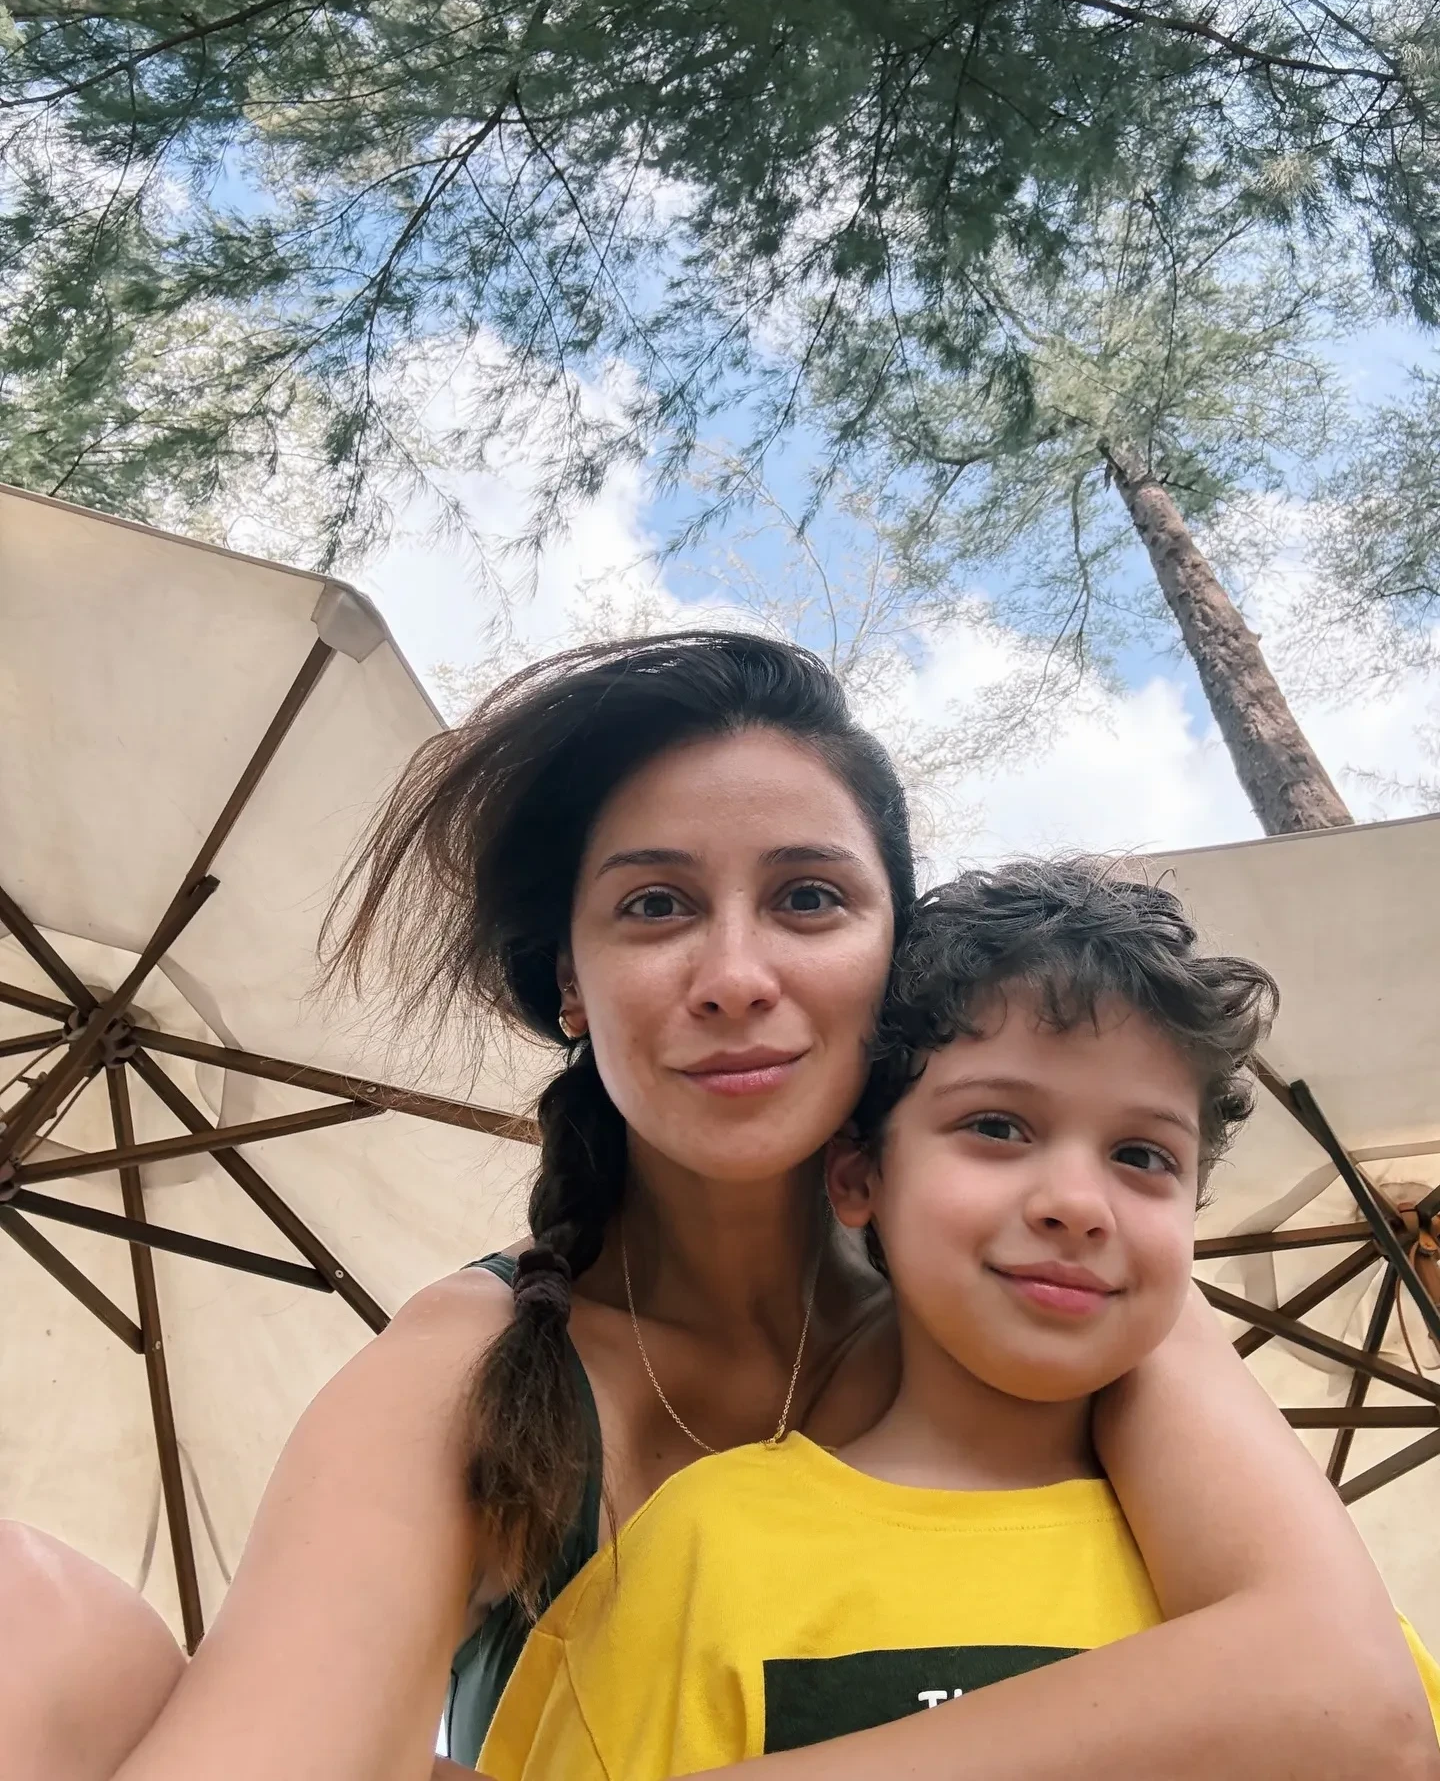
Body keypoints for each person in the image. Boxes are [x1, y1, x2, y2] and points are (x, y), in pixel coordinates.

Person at [4, 634, 1436, 1781]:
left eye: (809, 899)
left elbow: (1347, 1693)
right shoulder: (478, 1366)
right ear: (570, 985)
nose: (737, 977)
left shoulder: (1052, 1288)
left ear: (897, 954)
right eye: (655, 907)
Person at [479, 860, 1440, 1779]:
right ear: (859, 1175)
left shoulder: (1314, 1612)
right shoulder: (691, 1563)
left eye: (1143, 1156)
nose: (1079, 1204)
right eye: (997, 1127)